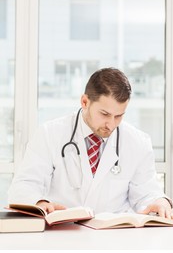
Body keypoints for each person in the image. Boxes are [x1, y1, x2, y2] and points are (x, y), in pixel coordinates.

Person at [8, 67, 172, 218]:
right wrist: (39, 203)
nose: (111, 124)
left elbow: (147, 192)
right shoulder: (50, 134)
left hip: (115, 238)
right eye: (105, 114)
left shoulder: (138, 142)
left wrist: (159, 200)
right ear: (85, 102)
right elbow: (24, 186)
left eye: (119, 116)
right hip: (62, 234)